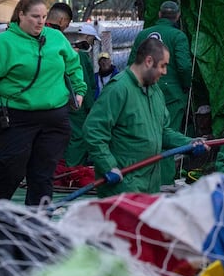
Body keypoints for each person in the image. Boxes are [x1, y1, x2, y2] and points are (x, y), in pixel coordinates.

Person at [0, 0, 86, 207]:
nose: (41, 21)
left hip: (54, 118)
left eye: (44, 17)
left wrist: (79, 91)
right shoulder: (2, 44)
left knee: (43, 174)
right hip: (17, 117)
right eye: (35, 17)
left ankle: (38, 223)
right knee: (11, 169)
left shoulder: (56, 38)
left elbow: (73, 66)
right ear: (21, 15)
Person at [83, 37, 204, 195]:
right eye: (163, 65)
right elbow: (93, 130)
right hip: (123, 186)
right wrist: (108, 166)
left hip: (150, 185)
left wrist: (189, 143)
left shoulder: (155, 91)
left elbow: (163, 132)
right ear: (148, 61)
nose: (165, 71)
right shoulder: (118, 89)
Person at [133, 1, 193, 128]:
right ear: (178, 16)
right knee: (169, 132)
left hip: (144, 90)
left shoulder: (143, 35)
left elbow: (131, 64)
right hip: (172, 93)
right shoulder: (178, 36)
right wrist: (186, 85)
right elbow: (184, 66)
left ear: (160, 14)